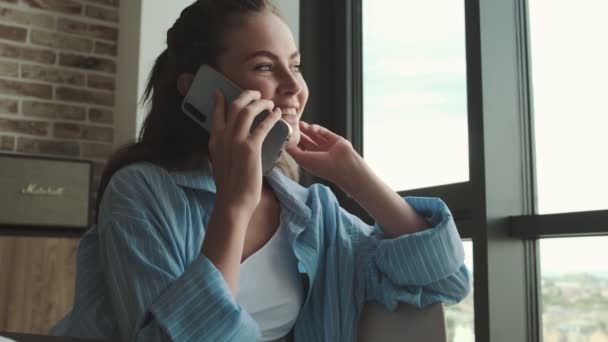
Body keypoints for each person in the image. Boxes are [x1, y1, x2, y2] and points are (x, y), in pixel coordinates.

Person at [50, 0, 471, 341]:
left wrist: (356, 176)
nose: (295, 86)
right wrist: (234, 205)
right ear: (198, 88)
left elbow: (445, 280)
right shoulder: (141, 192)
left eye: (297, 65)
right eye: (265, 67)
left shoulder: (311, 213)